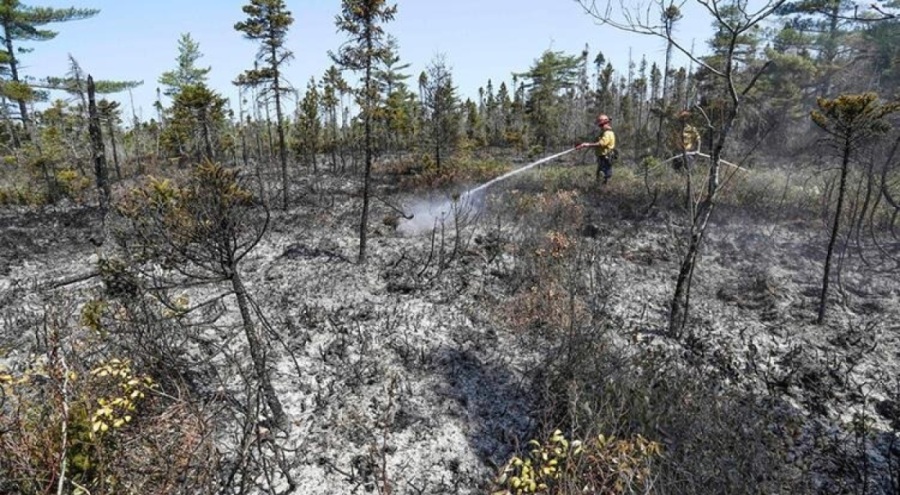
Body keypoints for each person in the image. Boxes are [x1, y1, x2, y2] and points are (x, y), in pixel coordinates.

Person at [576, 113, 617, 184]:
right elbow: (597, 142)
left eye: (601, 125)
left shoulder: (608, 133)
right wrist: (583, 144)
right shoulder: (604, 133)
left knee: (603, 176)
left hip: (605, 158)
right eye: (600, 125)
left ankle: (603, 192)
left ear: (606, 123)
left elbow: (601, 144)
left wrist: (587, 145)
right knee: (600, 176)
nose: (600, 127)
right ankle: (600, 190)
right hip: (602, 158)